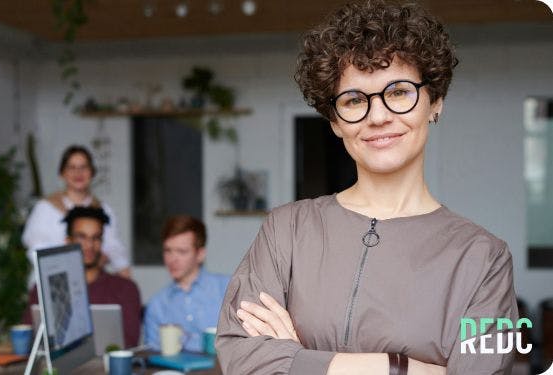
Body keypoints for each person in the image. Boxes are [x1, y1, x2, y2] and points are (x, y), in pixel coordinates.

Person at [217, 1, 518, 374]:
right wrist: (405, 368)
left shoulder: (485, 259)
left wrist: (296, 360)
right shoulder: (285, 232)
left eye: (398, 92)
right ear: (335, 122)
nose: (378, 116)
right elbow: (242, 358)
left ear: (435, 102)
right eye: (355, 100)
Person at [24, 207, 142, 348]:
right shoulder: (43, 289)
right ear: (68, 241)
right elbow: (28, 342)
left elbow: (129, 343)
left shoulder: (125, 289)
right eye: (82, 237)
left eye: (96, 238)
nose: (89, 245)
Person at [22, 145, 131, 278]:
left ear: (92, 172)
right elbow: (35, 248)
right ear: (62, 173)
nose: (78, 173)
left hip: (91, 282)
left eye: (83, 167)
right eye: (71, 168)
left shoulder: (103, 210)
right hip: (52, 279)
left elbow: (114, 248)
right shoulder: (45, 208)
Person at [144, 215, 229, 352]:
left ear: (200, 254)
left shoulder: (227, 288)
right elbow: (152, 356)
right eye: (168, 251)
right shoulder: (157, 305)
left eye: (181, 251)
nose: (172, 259)